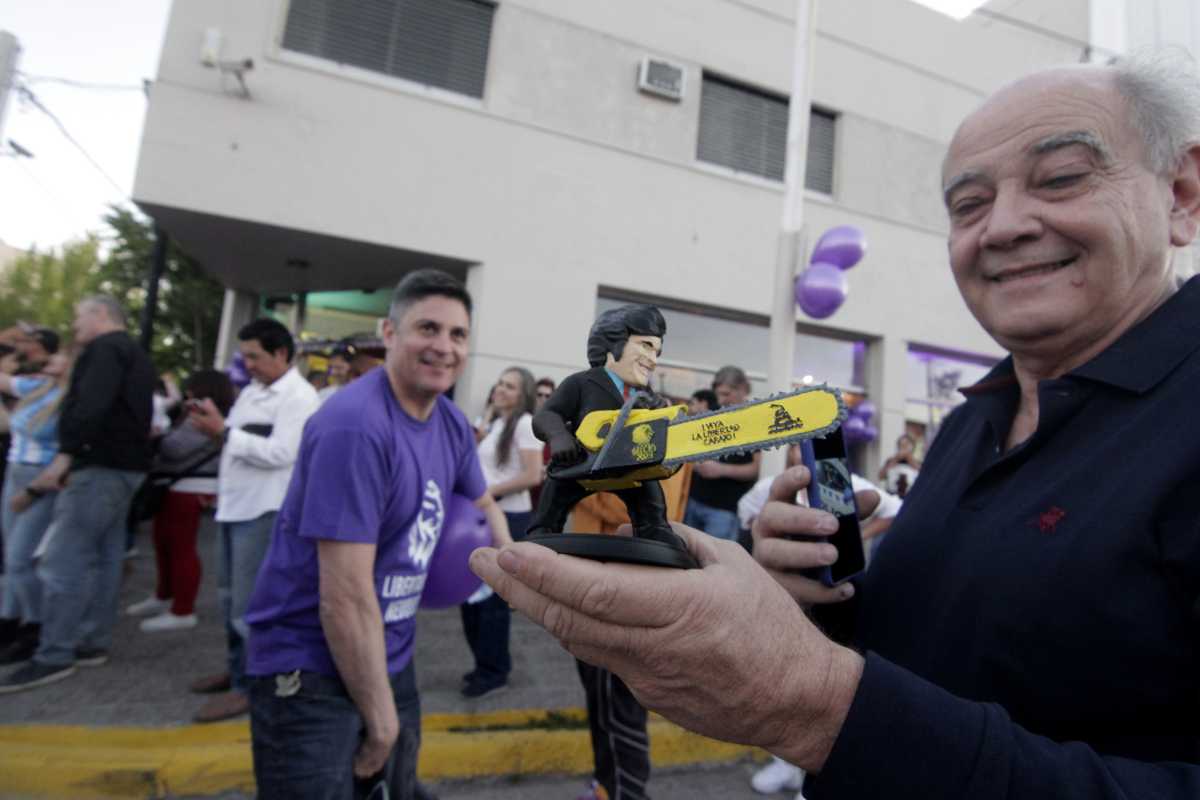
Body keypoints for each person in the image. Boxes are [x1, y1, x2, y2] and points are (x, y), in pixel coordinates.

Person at [470, 51, 1200, 799]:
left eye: (1061, 178)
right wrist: (810, 601)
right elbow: (939, 668)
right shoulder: (974, 421)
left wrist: (816, 702)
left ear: (1180, 195)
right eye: (969, 204)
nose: (1005, 226)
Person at [243, 269, 511, 799]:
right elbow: (342, 599)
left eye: (457, 335)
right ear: (389, 333)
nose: (443, 347)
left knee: (395, 789)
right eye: (427, 329)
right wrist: (382, 722)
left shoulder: (452, 423)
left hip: (389, 650)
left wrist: (527, 580)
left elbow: (483, 505)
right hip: (308, 668)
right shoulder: (355, 427)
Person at [0, 296, 155, 693]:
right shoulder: (133, 353)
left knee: (62, 560)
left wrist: (65, 457)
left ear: (100, 315)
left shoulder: (104, 351)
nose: (74, 326)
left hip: (99, 468)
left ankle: (53, 653)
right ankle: (90, 642)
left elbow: (90, 406)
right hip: (123, 468)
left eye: (77, 317)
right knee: (104, 558)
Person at [186, 317, 320, 722]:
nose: (247, 365)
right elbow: (238, 441)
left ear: (281, 353)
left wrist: (223, 431)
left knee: (249, 604)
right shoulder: (252, 392)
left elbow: (283, 452)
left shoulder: (299, 396)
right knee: (228, 597)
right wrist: (217, 429)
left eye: (255, 356)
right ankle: (237, 669)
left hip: (264, 510)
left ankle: (251, 686)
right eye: (244, 357)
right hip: (235, 505)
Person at [126, 370, 235, 633]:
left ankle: (183, 608)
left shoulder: (205, 418)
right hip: (180, 485)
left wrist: (156, 438)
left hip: (190, 486)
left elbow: (175, 449)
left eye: (192, 389)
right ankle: (164, 596)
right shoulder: (204, 415)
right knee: (164, 543)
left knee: (180, 548)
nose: (187, 395)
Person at [460, 365, 542, 699]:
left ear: (523, 395)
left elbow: (533, 475)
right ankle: (484, 663)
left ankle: (494, 671)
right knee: (471, 599)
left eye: (510, 386)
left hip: (508, 518)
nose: (501, 389)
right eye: (500, 383)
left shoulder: (524, 424)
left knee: (492, 603)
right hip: (483, 517)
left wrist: (489, 494)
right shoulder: (496, 421)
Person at [0, 350, 71, 664]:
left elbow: (67, 450)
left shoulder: (72, 400)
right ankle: (10, 620)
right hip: (15, 470)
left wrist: (36, 487)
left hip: (39, 479)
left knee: (20, 558)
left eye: (59, 356)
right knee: (11, 557)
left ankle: (36, 626)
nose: (50, 359)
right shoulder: (39, 388)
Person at [682, 366, 760, 540]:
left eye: (727, 394)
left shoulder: (753, 420)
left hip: (724, 510)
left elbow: (755, 468)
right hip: (693, 500)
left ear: (743, 390)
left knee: (716, 562)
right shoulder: (713, 415)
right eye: (719, 394)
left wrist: (721, 470)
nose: (722, 400)